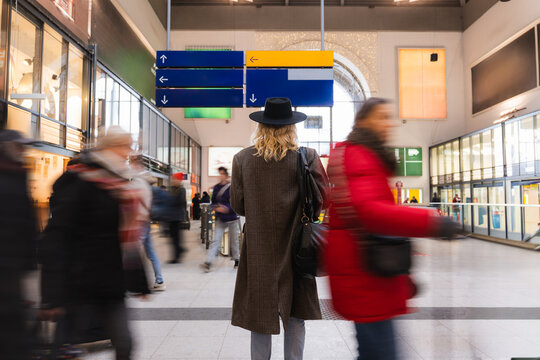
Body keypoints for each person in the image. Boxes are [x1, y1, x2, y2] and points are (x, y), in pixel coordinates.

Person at [325, 98, 460, 360]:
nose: (390, 124)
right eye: (382, 117)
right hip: (365, 274)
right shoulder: (360, 156)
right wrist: (431, 221)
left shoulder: (359, 155)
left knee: (372, 351)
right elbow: (370, 211)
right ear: (363, 121)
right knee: (382, 353)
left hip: (366, 269)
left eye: (390, 117)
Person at [39, 126, 150, 360]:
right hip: (79, 281)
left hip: (110, 282)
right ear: (108, 147)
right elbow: (57, 237)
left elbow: (126, 239)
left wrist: (139, 282)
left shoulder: (119, 184)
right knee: (66, 346)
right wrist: (51, 295)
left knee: (125, 344)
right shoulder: (79, 180)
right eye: (124, 146)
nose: (128, 152)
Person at [230, 98, 328, 360]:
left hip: (258, 246)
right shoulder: (307, 157)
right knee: (295, 315)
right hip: (297, 246)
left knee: (259, 316)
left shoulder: (242, 159)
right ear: (292, 127)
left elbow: (238, 206)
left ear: (261, 127)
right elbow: (323, 201)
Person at [0, 130, 38, 360]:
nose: (23, 151)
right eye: (19, 146)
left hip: (15, 264)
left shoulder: (18, 175)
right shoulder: (10, 178)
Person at [130, 155, 165, 291]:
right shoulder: (148, 181)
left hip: (139, 220)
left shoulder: (138, 181)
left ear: (135, 164)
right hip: (145, 220)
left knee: (133, 252)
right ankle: (159, 280)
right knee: (150, 252)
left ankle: (136, 283)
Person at [200, 167, 240, 272]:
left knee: (234, 240)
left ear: (226, 175)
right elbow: (213, 201)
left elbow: (236, 202)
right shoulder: (217, 188)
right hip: (220, 219)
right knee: (215, 240)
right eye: (220, 174)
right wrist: (216, 207)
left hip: (231, 218)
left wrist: (227, 208)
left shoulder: (232, 187)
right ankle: (208, 262)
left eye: (223, 174)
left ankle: (237, 259)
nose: (221, 175)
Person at [167, 173, 187, 263]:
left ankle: (177, 255)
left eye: (175, 179)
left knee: (175, 237)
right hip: (172, 216)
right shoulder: (172, 189)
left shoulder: (181, 190)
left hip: (176, 216)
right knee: (174, 236)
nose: (173, 181)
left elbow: (180, 201)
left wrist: (171, 200)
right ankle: (180, 250)